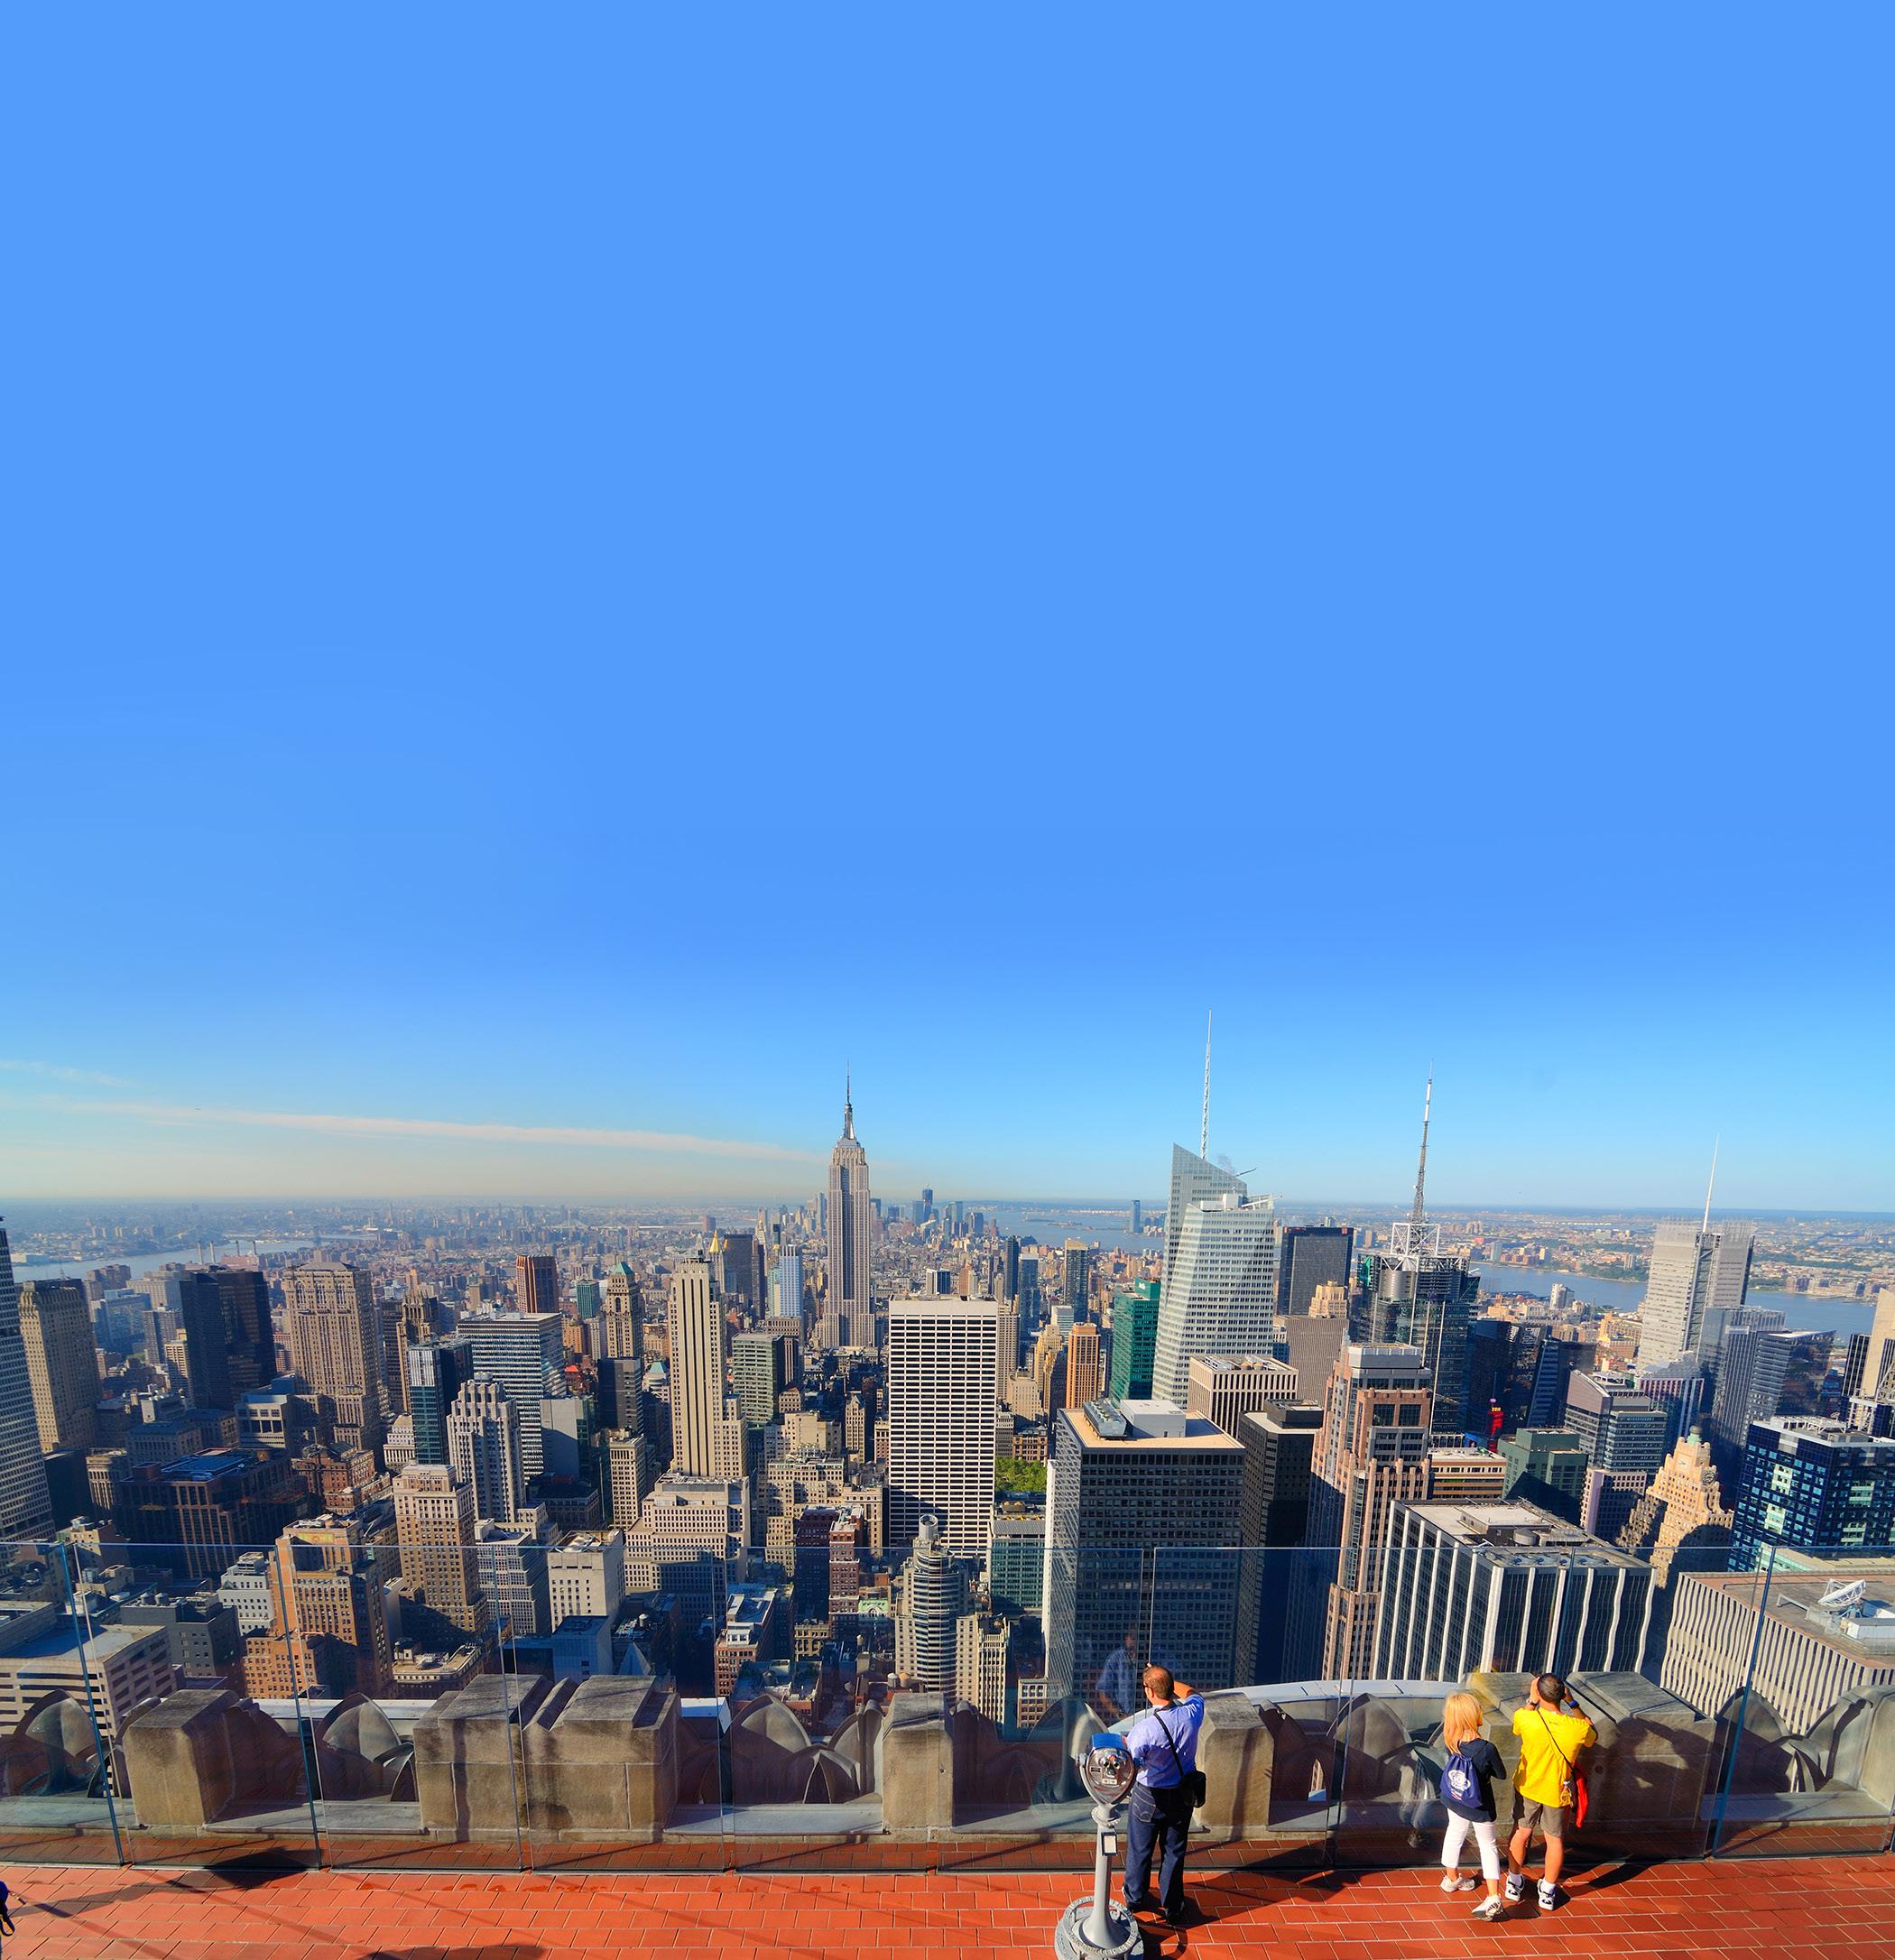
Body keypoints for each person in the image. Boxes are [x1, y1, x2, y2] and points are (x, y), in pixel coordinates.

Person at [1121, 1664, 1204, 1929]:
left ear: (1149, 1692)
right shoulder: (1192, 1714)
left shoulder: (1144, 1730)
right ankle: (1172, 1906)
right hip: (1181, 1794)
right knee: (1174, 1851)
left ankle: (1135, 1899)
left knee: (1140, 1849)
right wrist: (1167, 1680)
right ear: (1170, 1688)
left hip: (1149, 1796)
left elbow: (1133, 1763)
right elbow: (1193, 1693)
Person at [1505, 1673, 1595, 1912]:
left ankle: (1513, 1882)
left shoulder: (1526, 1718)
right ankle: (1547, 1891)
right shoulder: (1577, 1728)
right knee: (1555, 1840)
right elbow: (1592, 1736)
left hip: (1527, 1785)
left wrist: (1531, 1700)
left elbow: (1517, 1728)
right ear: (1562, 1694)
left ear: (1539, 1692)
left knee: (1521, 1832)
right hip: (1558, 1790)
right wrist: (1572, 1702)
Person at [1436, 1691, 1507, 1920]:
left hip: (1455, 1798)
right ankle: (1493, 1896)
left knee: (1454, 1833)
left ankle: (1452, 1879)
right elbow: (1501, 1774)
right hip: (1479, 1804)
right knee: (1488, 1845)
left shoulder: (1451, 1740)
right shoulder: (1486, 1748)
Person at [1096, 1632, 1140, 1722]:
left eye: (1138, 1637)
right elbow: (1103, 1692)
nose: (1134, 1641)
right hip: (1123, 1722)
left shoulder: (1152, 1657)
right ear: (1126, 1638)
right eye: (1132, 1637)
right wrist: (1121, 1715)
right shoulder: (1115, 1659)